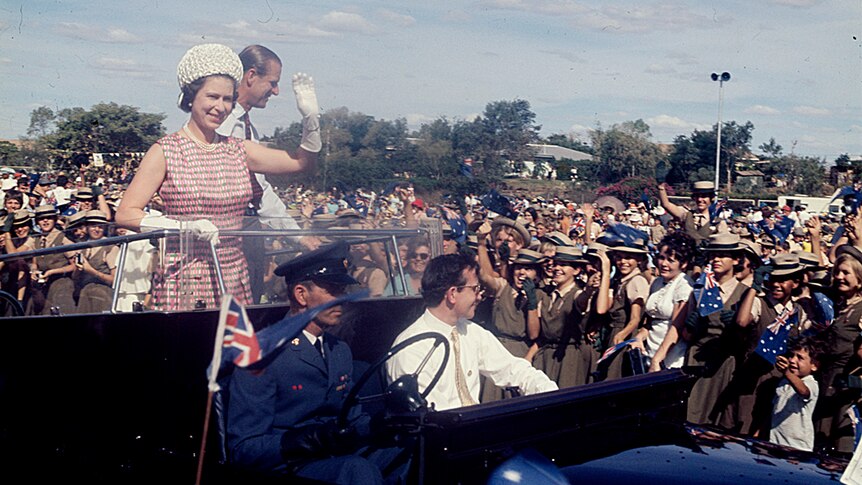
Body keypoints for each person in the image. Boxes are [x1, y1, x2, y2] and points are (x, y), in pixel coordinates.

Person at [116, 43, 320, 310]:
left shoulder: (239, 149)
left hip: (234, 279)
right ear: (191, 98)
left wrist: (312, 118)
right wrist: (184, 228)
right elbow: (125, 213)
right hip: (185, 280)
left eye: (227, 99)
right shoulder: (165, 150)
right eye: (212, 97)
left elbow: (301, 162)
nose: (220, 107)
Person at [227, 242, 405, 483]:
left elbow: (351, 420)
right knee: (355, 470)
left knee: (407, 452)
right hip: (292, 464)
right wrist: (306, 439)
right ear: (301, 294)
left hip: (334, 456)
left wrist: (381, 425)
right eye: (334, 291)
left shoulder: (338, 349)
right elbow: (245, 448)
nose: (343, 299)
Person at [386, 253, 558, 411]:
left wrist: (549, 393)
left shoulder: (472, 331)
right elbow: (435, 418)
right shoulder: (411, 348)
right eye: (475, 289)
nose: (479, 297)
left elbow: (513, 369)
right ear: (452, 294)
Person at [216, 44, 318, 303]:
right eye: (272, 83)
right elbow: (298, 164)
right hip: (225, 239)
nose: (276, 91)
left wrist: (299, 235)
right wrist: (311, 121)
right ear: (250, 76)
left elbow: (260, 191)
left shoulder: (249, 130)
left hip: (248, 235)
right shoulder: (223, 125)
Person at [637, 232, 696, 371]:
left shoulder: (684, 285)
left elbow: (677, 328)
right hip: (650, 350)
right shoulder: (657, 282)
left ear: (684, 263)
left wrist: (658, 359)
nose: (664, 264)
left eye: (671, 260)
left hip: (670, 356)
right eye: (662, 258)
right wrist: (639, 337)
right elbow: (651, 321)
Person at [770, 337, 820, 451]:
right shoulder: (783, 382)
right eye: (792, 356)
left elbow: (803, 391)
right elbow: (775, 410)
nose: (792, 360)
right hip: (775, 442)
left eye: (800, 358)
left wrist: (786, 372)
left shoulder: (811, 383)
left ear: (814, 365)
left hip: (797, 447)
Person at [27, 205, 77, 315]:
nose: (45, 221)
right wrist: (33, 271)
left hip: (62, 284)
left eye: (49, 218)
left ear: (54, 220)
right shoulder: (36, 240)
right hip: (43, 285)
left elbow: (74, 266)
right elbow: (34, 263)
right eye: (41, 219)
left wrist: (52, 272)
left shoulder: (63, 239)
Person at [74, 210, 118, 313]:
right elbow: (75, 278)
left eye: (100, 226)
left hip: (103, 295)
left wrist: (90, 270)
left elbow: (114, 280)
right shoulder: (81, 247)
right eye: (93, 226)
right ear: (87, 227)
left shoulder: (110, 248)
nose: (97, 229)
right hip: (84, 294)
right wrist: (78, 270)